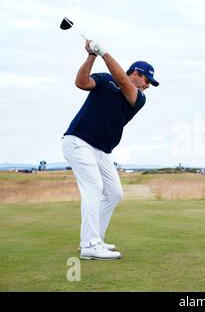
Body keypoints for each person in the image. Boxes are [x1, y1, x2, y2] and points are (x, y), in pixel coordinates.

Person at [62, 40, 159, 260]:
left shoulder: (138, 98)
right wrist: (92, 56)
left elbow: (123, 82)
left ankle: (96, 239)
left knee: (114, 193)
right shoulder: (105, 80)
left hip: (101, 149)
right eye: (147, 80)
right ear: (137, 73)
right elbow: (81, 82)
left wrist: (104, 52)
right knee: (94, 187)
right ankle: (89, 244)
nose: (147, 86)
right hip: (78, 141)